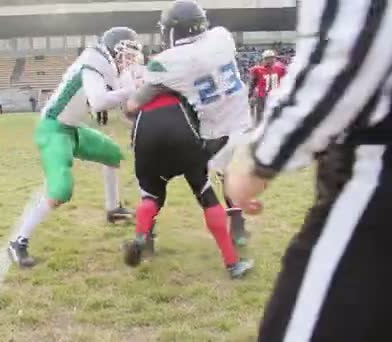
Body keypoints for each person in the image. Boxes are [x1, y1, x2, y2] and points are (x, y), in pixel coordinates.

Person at [226, 0, 392, 340]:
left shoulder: (278, 70)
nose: (269, 61)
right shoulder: (260, 72)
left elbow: (348, 53)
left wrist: (259, 158)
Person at [123, 0, 253, 278]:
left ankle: (145, 237)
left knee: (168, 187)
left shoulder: (167, 62)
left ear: (173, 30)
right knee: (224, 181)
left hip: (206, 132)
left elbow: (136, 103)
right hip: (239, 124)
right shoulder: (222, 37)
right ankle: (237, 230)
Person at [7, 27, 142, 268]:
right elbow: (99, 101)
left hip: (71, 128)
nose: (129, 60)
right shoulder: (93, 63)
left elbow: (125, 102)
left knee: (112, 154)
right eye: (127, 53)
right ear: (113, 49)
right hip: (53, 128)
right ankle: (18, 241)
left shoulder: (109, 67)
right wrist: (130, 91)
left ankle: (113, 209)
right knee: (60, 191)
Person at [249, 50, 287, 125]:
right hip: (262, 95)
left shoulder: (280, 68)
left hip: (276, 94)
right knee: (260, 114)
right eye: (268, 58)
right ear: (264, 59)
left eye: (272, 58)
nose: (271, 60)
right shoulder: (257, 69)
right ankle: (258, 127)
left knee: (276, 112)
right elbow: (253, 83)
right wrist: (251, 95)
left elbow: (286, 80)